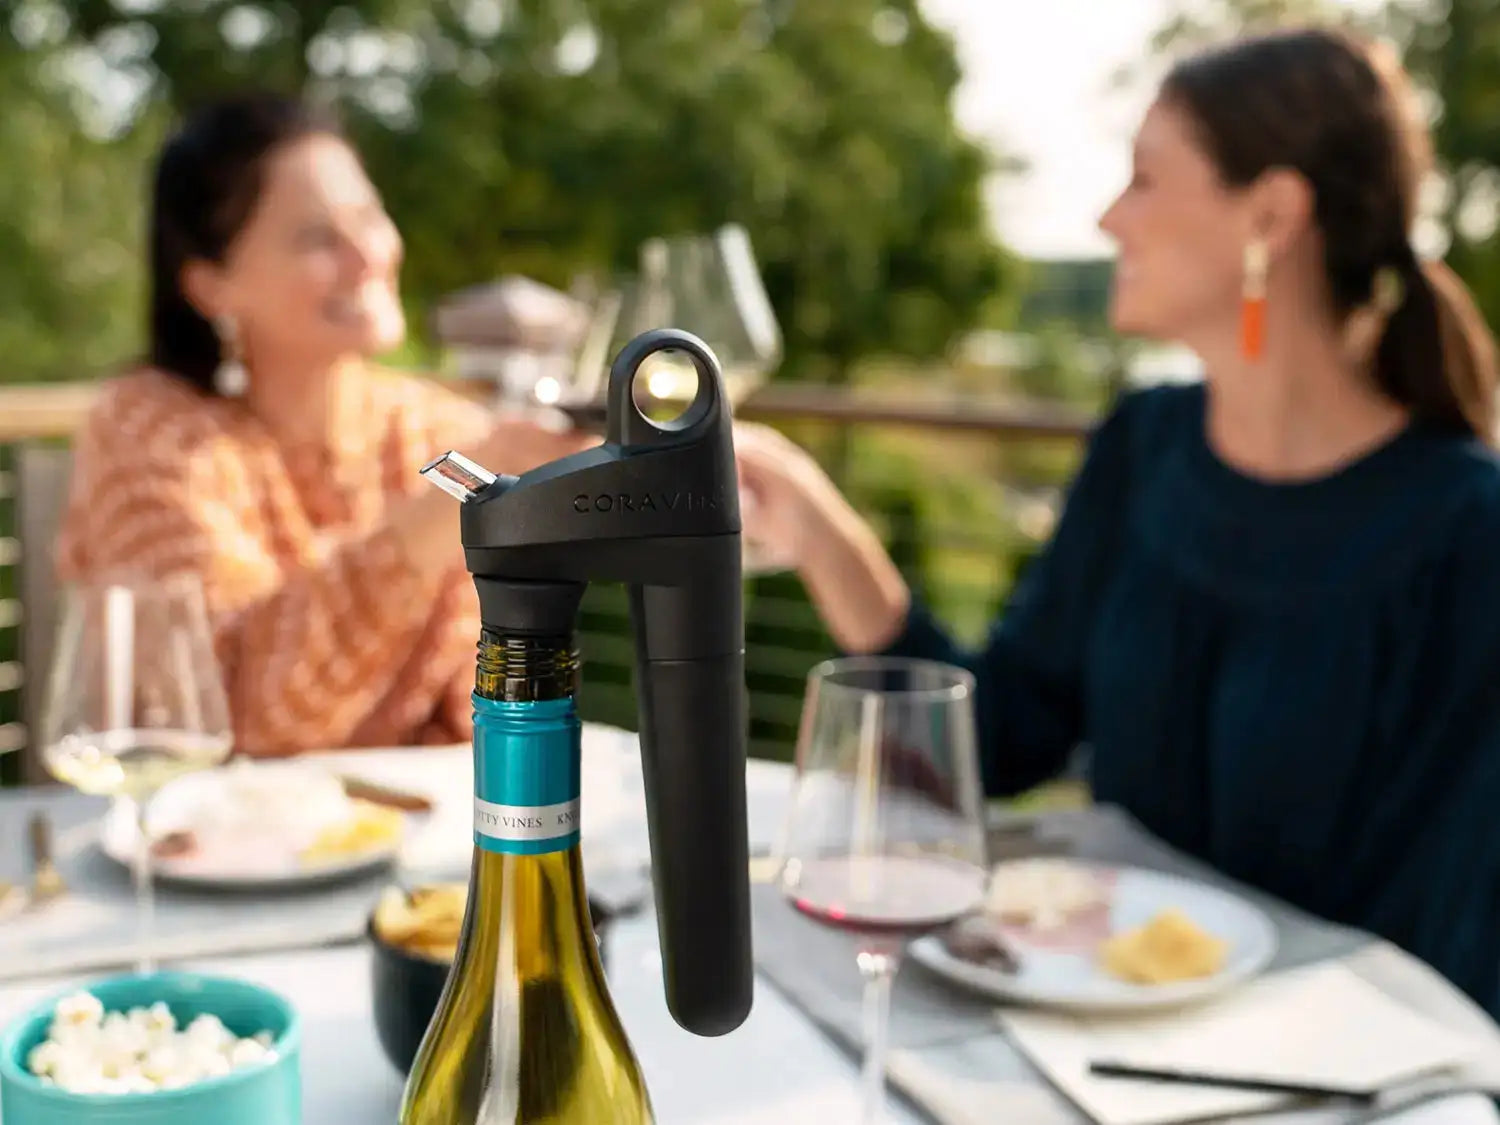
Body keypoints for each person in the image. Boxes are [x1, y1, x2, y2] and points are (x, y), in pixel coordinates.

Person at [736, 27, 1500, 1016]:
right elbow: (1001, 743)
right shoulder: (1144, 449)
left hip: (1338, 1070)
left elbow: (1457, 952)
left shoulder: (1468, 535)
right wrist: (821, 532)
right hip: (1088, 1045)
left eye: (1144, 178)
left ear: (1271, 213)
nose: (1107, 217)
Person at [54, 92, 595, 756]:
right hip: (199, 819)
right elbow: (223, 718)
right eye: (317, 237)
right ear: (210, 286)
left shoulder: (432, 429)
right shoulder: (149, 431)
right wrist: (450, 508)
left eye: (368, 216)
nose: (368, 254)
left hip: (411, 819)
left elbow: (485, 708)